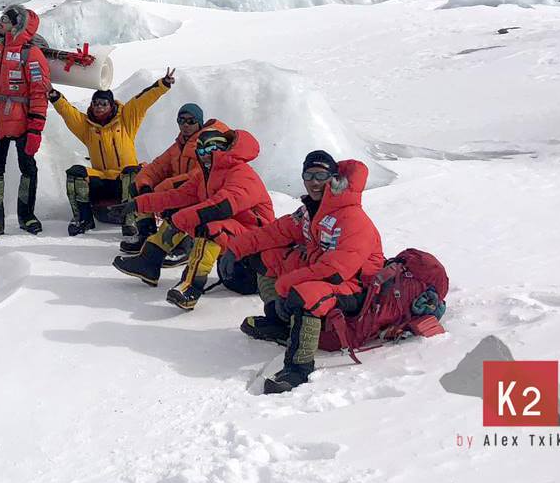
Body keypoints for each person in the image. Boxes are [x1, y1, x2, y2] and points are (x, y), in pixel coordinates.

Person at [216, 150, 384, 393]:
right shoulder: (310, 212)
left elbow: (337, 270)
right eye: (309, 175)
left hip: (357, 286)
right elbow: (273, 233)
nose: (314, 181)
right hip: (326, 272)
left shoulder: (351, 217)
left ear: (334, 178)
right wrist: (235, 249)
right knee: (266, 258)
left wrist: (286, 287)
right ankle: (280, 321)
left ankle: (298, 368)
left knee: (306, 294)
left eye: (321, 175)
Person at [113, 123, 274, 311]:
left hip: (256, 255)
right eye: (201, 149)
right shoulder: (206, 175)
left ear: (223, 149)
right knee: (182, 214)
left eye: (212, 148)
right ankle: (148, 261)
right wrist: (138, 204)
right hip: (232, 257)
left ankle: (190, 288)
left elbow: (222, 207)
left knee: (209, 227)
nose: (206, 153)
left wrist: (182, 220)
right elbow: (177, 196)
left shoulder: (242, 174)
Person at [50, 69, 176, 236]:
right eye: (95, 103)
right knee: (76, 173)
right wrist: (55, 97)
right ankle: (83, 219)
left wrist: (163, 84)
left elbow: (143, 100)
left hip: (124, 181)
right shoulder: (87, 127)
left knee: (131, 171)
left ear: (111, 105)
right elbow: (68, 112)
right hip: (102, 179)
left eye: (103, 103)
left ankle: (130, 221)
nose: (99, 107)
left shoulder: (126, 118)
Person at [0, 4, 50, 238]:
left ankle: (26, 215)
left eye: (5, 20)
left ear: (17, 25)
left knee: (27, 168)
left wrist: (35, 130)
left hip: (23, 121)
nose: (0, 23)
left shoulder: (31, 54)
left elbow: (39, 93)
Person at [116, 101, 207, 256]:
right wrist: (144, 185)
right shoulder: (178, 146)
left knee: (176, 198)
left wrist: (163, 189)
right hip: (176, 190)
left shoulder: (205, 144)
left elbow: (199, 175)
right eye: (181, 120)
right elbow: (155, 167)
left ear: (199, 123)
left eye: (191, 121)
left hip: (198, 195)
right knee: (138, 187)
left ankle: (184, 245)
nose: (185, 125)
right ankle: (147, 235)